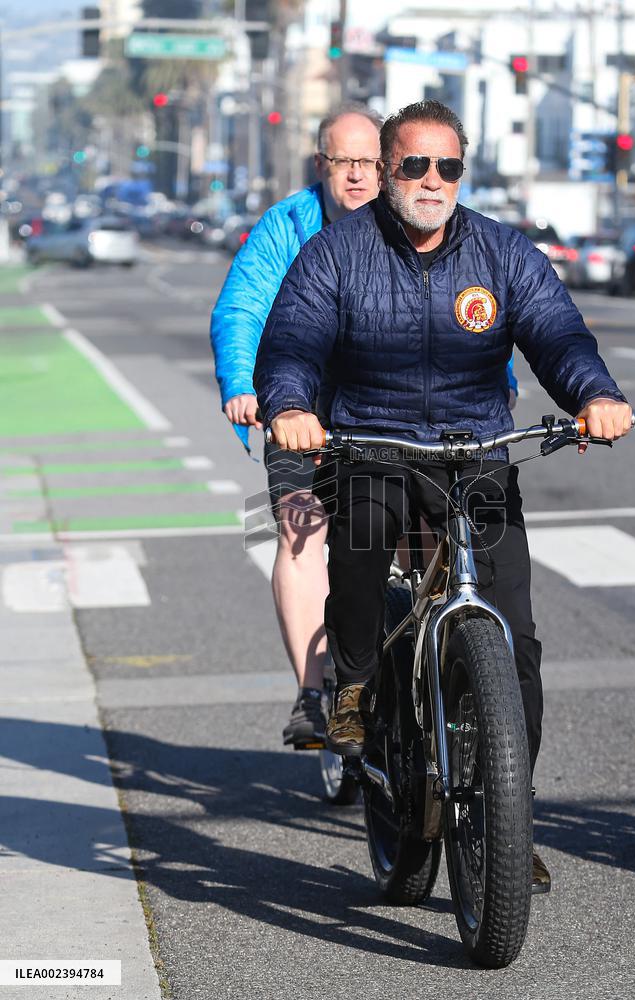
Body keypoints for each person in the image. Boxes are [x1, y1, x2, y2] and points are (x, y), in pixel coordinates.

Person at [255, 99, 632, 890]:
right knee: (357, 549)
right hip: (371, 440)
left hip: (475, 449)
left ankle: (505, 816)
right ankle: (353, 683)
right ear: (387, 171)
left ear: (465, 171)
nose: (433, 181)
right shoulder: (336, 253)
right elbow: (291, 340)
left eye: (449, 166)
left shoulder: (502, 252)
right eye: (414, 166)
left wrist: (594, 393)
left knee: (516, 641)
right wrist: (291, 407)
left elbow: (557, 335)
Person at [210, 104, 383, 748]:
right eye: (346, 163)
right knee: (297, 528)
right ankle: (313, 694)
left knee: (432, 532)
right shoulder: (285, 225)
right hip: (296, 411)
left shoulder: (412, 224)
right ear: (322, 165)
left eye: (372, 162)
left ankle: (435, 661)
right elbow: (241, 308)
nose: (361, 177)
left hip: (389, 411)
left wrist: (497, 384)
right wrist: (241, 385)